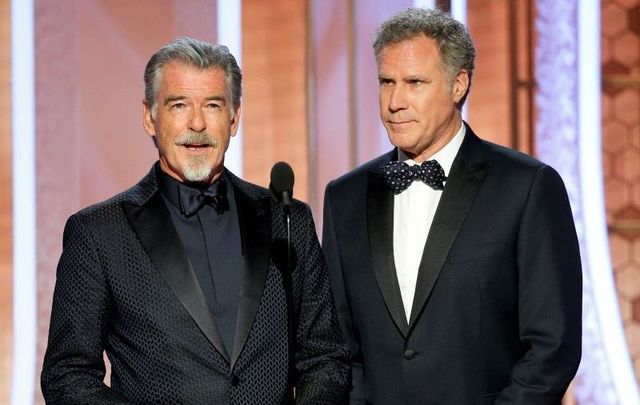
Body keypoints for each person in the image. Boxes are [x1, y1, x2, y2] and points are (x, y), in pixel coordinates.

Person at [41, 37, 349, 404]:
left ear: (234, 118)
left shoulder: (288, 221)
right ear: (149, 116)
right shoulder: (99, 233)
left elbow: (325, 359)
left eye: (214, 105)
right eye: (179, 105)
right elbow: (68, 375)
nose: (198, 123)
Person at [322, 8, 581, 405]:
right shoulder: (345, 197)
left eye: (414, 83)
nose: (394, 101)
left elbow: (552, 346)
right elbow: (340, 347)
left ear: (458, 84)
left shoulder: (526, 187)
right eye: (386, 82)